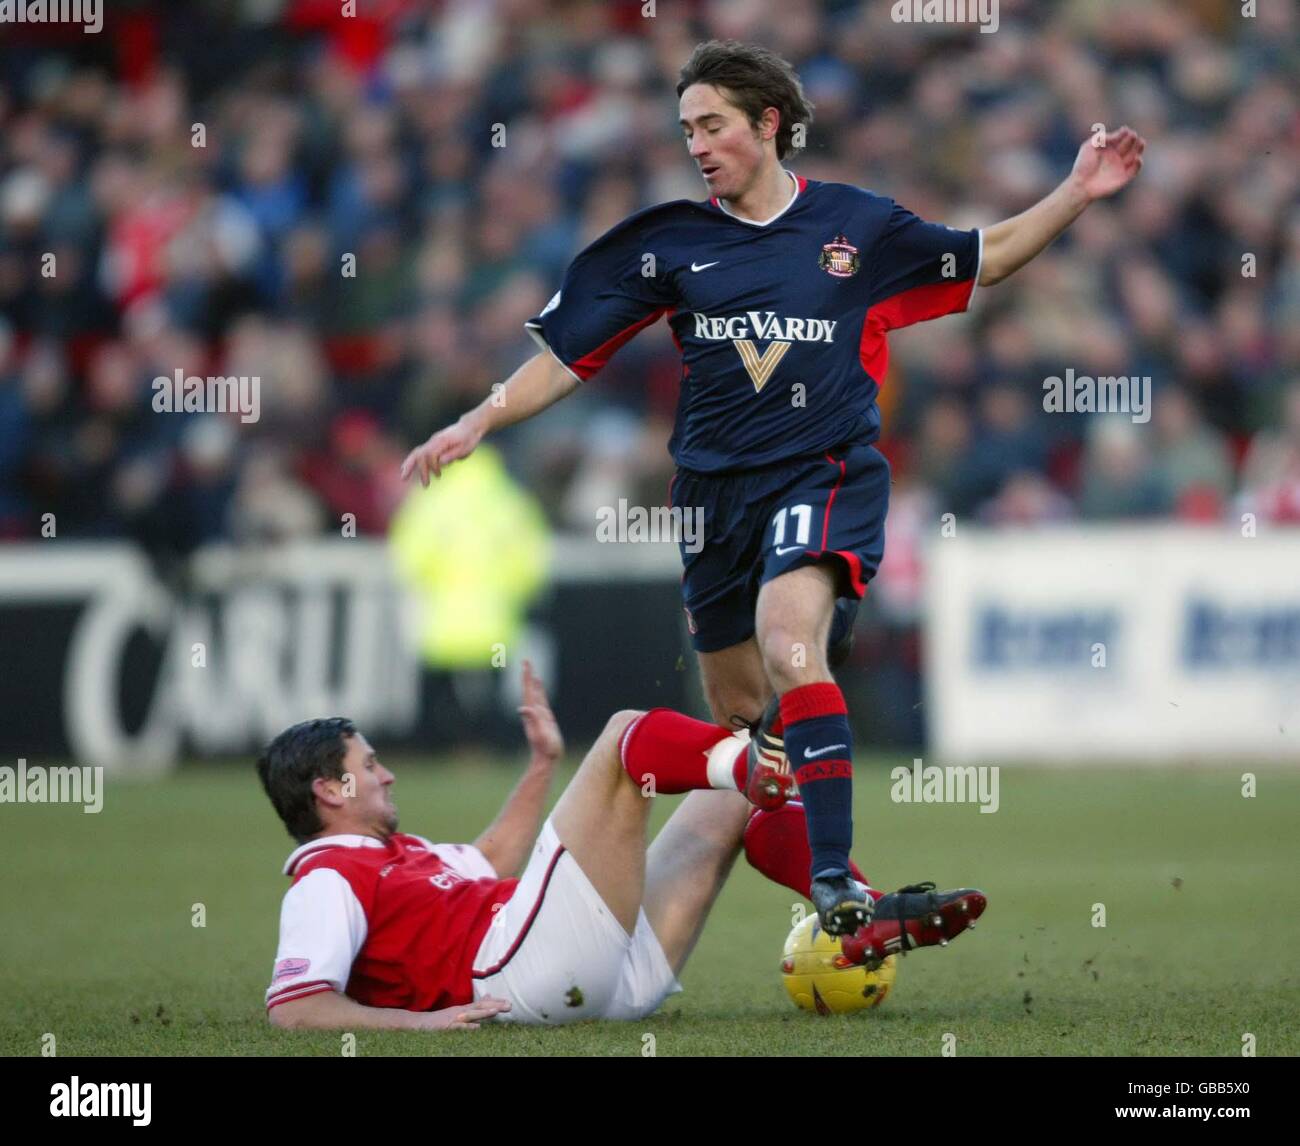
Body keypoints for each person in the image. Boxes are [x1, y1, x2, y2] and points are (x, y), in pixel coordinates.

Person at [399, 39, 1144, 942]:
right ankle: (868, 907)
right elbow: (565, 358)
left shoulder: (857, 230)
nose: (698, 145)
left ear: (769, 125)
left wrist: (1076, 191)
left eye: (713, 125)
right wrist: (478, 420)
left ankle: (833, 881)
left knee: (794, 649)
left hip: (823, 472)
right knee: (753, 747)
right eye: (686, 130)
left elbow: (983, 257)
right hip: (714, 503)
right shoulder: (669, 242)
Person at [258, 662, 983, 1028]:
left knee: (722, 799)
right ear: (330, 791)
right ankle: (753, 760)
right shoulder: (325, 877)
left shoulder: (397, 853)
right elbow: (294, 1008)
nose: (384, 772)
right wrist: (422, 1025)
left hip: (598, 978)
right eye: (367, 765)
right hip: (521, 975)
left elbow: (493, 857)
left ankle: (852, 904)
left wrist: (542, 765)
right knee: (622, 737)